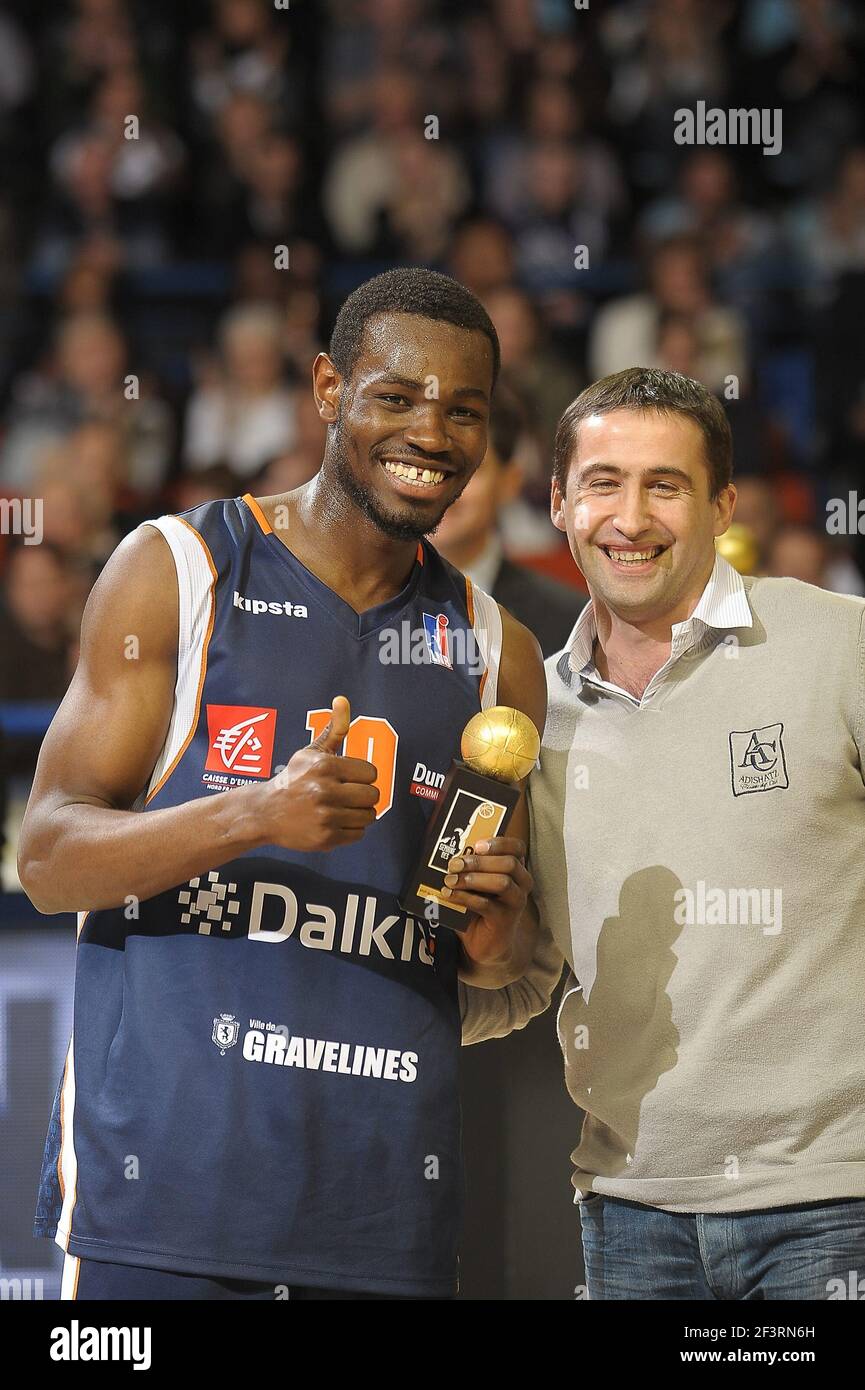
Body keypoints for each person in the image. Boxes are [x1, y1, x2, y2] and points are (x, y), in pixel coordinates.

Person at [20, 268, 552, 1301]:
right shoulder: (176, 569)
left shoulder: (499, 652)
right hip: (165, 1204)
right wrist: (252, 813)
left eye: (464, 410)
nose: (430, 433)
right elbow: (45, 859)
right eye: (395, 397)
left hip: (379, 1211)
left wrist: (496, 932)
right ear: (325, 388)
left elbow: (492, 962)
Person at [487, 366, 865, 1299]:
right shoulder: (530, 708)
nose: (631, 517)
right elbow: (522, 980)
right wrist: (464, 943)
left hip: (833, 1202)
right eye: (603, 484)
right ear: (558, 506)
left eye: (666, 485)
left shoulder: (837, 645)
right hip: (628, 1207)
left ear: (721, 503)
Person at [433, 379, 585, 657]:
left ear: (509, 482)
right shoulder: (360, 604)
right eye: (430, 464)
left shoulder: (570, 621)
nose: (443, 485)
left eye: (468, 470)